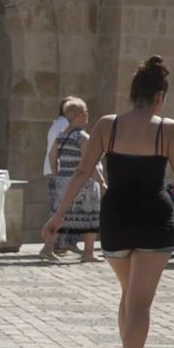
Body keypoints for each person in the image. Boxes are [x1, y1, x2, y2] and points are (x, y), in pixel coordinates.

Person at [43, 56, 174, 348]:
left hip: (116, 219)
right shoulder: (167, 129)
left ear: (133, 94)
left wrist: (58, 216)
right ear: (160, 97)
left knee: (129, 295)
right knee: (140, 303)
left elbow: (82, 173)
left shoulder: (106, 125)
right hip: (154, 221)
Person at [39, 97, 105, 263]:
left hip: (64, 181)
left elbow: (52, 156)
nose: (88, 116)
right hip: (83, 184)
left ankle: (48, 248)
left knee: (60, 216)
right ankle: (88, 252)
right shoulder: (82, 137)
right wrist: (102, 182)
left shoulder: (61, 136)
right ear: (77, 115)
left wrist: (58, 175)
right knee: (90, 216)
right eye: (85, 112)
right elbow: (89, 164)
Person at [44, 97, 79, 255]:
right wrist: (59, 174)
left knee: (59, 209)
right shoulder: (65, 126)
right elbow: (55, 153)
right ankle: (52, 246)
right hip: (61, 173)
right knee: (61, 210)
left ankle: (57, 245)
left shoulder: (57, 123)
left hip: (56, 172)